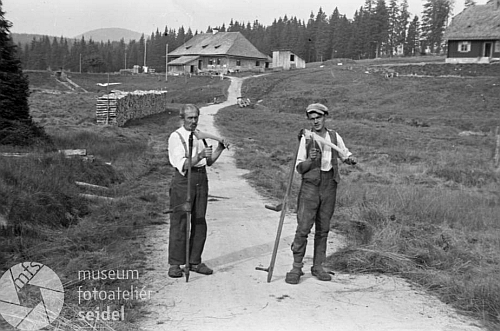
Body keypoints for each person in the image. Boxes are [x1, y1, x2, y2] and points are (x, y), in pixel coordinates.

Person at [285, 103, 356, 285]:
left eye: (319, 117)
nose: (316, 121)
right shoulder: (306, 138)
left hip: (329, 185)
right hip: (310, 186)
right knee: (303, 228)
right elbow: (299, 168)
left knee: (323, 229)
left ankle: (318, 266)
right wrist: (311, 160)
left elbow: (343, 153)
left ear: (325, 117)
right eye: (312, 118)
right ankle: (296, 267)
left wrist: (349, 159)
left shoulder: (333, 136)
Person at [167, 104, 227, 278]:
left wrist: (219, 149)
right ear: (182, 118)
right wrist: (198, 156)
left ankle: (194, 261)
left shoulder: (200, 136)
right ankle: (175, 263)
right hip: (184, 179)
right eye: (190, 118)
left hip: (201, 178)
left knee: (199, 220)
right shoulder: (176, 137)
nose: (193, 121)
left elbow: (208, 162)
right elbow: (183, 164)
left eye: (196, 118)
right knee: (180, 221)